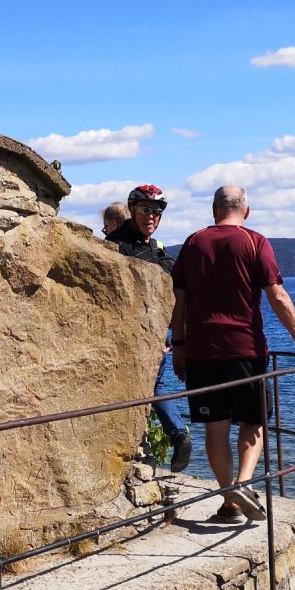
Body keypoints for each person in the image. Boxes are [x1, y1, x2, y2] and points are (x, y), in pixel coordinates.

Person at [170, 185, 295, 524]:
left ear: (214, 210)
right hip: (245, 349)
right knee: (253, 424)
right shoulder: (255, 242)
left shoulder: (193, 243)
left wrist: (178, 346)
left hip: (200, 351)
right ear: (247, 210)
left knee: (215, 428)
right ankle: (243, 484)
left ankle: (231, 504)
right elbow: (277, 296)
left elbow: (179, 301)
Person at [109, 184, 192, 472]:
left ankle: (174, 438)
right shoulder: (115, 246)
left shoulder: (157, 248)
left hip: (156, 337)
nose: (152, 217)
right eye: (146, 210)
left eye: (157, 212)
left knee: (154, 386)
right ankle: (175, 435)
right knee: (152, 387)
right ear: (132, 211)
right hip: (125, 338)